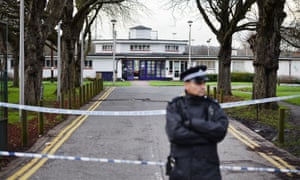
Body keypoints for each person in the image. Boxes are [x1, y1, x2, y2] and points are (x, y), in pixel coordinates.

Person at [165, 65, 229, 180]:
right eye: (198, 83)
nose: (203, 87)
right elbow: (175, 134)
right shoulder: (176, 106)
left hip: (208, 170)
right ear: (186, 84)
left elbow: (220, 131)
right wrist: (208, 136)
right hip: (182, 169)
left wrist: (192, 123)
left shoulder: (212, 106)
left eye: (204, 83)